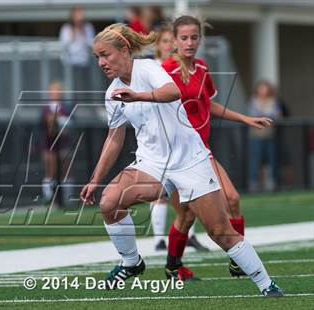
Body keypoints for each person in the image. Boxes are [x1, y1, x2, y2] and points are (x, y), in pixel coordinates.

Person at [81, 23, 283, 297]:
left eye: (106, 55)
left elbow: (172, 92)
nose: (101, 62)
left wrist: (139, 96)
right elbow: (114, 139)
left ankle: (266, 285)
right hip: (152, 164)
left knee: (219, 231)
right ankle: (131, 263)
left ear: (125, 50)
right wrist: (94, 180)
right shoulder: (112, 94)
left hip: (190, 160)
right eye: (97, 57)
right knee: (109, 201)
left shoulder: (149, 68)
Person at [161, 15, 275, 281]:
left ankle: (236, 263)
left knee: (232, 199)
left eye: (194, 37)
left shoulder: (201, 67)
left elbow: (208, 105)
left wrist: (245, 117)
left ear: (200, 39)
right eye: (184, 38)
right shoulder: (165, 71)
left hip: (201, 150)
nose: (189, 42)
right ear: (175, 40)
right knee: (186, 214)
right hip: (177, 155)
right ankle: (173, 267)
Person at [149, 25, 208, 252]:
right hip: (160, 139)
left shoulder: (180, 66)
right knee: (161, 192)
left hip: (183, 139)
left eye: (169, 41)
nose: (168, 46)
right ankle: (158, 240)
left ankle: (188, 236)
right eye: (163, 41)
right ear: (157, 46)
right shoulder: (154, 68)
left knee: (187, 192)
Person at [248, 80, 282, 192]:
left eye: (265, 88)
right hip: (256, 136)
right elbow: (253, 115)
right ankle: (254, 185)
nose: (263, 90)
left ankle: (272, 184)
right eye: (261, 88)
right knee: (255, 161)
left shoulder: (273, 101)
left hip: (270, 135)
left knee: (272, 160)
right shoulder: (254, 101)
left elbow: (276, 115)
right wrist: (265, 116)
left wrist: (264, 116)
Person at [41, 81, 72, 204]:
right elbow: (40, 126)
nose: (56, 93)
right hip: (49, 145)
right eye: (53, 90)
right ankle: (49, 197)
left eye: (58, 90)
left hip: (64, 144)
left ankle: (67, 197)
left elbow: (72, 122)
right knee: (50, 170)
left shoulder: (67, 107)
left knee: (66, 170)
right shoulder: (45, 109)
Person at [59, 6, 95, 94]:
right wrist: (73, 32)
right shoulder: (66, 28)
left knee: (85, 86)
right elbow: (63, 43)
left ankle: (86, 105)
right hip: (70, 62)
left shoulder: (87, 27)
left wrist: (83, 32)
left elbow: (91, 42)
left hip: (84, 61)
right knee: (72, 87)